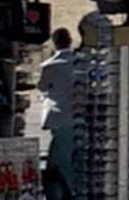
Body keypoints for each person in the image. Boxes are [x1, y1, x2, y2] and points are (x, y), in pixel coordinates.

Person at [38, 30, 79, 200]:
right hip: (79, 115)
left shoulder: (50, 65)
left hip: (59, 116)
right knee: (67, 157)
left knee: (61, 160)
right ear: (70, 41)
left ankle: (67, 191)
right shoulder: (80, 62)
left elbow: (42, 86)